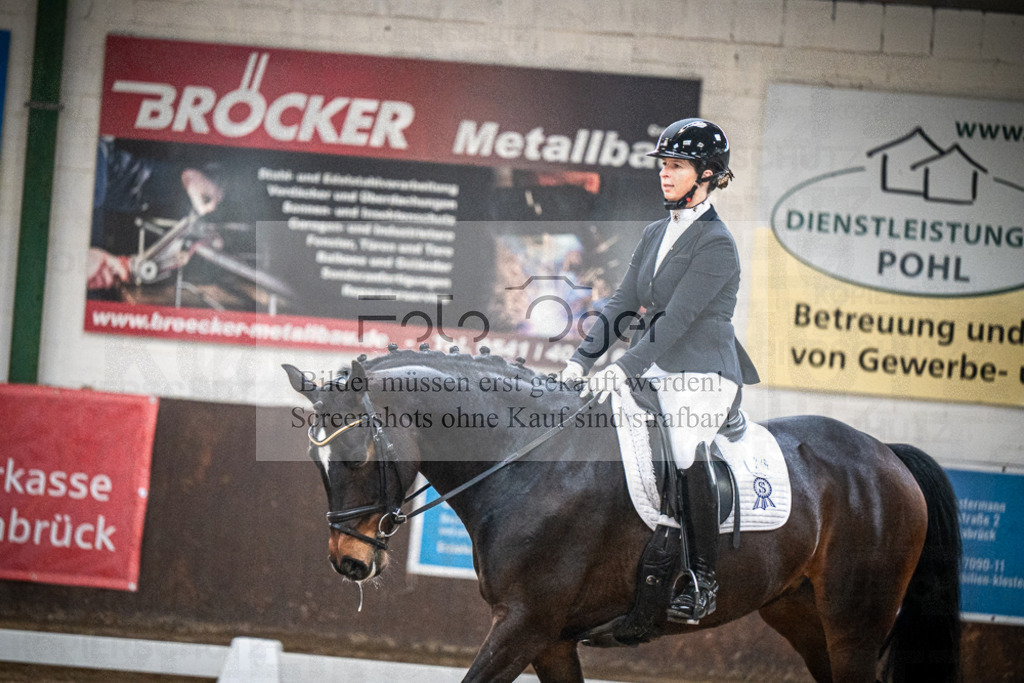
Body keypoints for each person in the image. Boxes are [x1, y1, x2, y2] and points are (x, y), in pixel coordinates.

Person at [560, 118, 759, 622]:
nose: (665, 175)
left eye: (677, 167)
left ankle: (702, 578)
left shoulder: (717, 243)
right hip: (653, 366)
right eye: (664, 166)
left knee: (684, 446)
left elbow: (675, 320)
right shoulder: (654, 233)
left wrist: (623, 368)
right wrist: (579, 361)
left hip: (705, 373)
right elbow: (623, 303)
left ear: (709, 175)